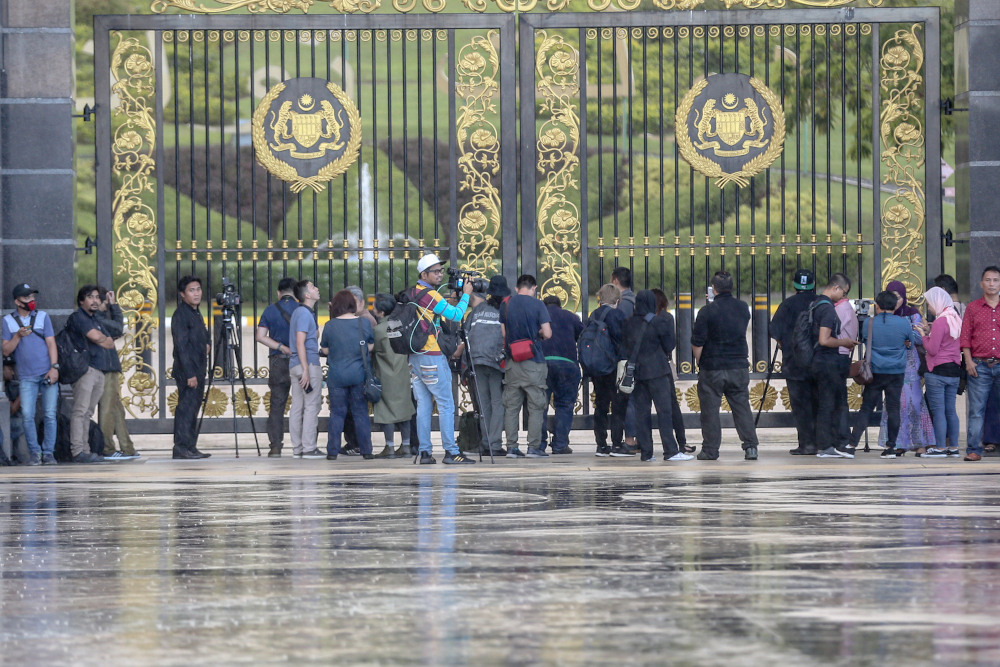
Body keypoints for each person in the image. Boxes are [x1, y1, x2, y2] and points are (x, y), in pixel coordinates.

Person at [406, 253, 476, 465]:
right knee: (446, 405)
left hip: (415, 357)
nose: (439, 274)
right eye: (435, 271)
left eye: (440, 271)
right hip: (432, 356)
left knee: (424, 406)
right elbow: (455, 316)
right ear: (423, 274)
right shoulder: (431, 295)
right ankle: (451, 451)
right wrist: (466, 295)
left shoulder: (414, 293)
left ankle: (425, 452)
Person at [691, 271, 760, 460]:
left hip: (712, 367)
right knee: (741, 407)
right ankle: (750, 447)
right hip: (738, 365)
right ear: (731, 287)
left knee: (710, 410)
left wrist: (701, 362)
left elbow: (697, 342)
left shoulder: (707, 311)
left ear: (713, 289)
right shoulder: (742, 307)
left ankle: (710, 449)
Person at [849, 291, 923, 457]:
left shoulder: (869, 322)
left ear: (877, 306)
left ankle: (852, 445)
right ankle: (890, 447)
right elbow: (910, 345)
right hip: (896, 372)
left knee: (866, 408)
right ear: (895, 306)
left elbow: (864, 340)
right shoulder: (903, 323)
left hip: (874, 371)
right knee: (893, 408)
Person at [621, 290, 691, 462]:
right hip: (658, 372)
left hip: (638, 372)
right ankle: (670, 451)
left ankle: (646, 452)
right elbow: (669, 345)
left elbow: (623, 347)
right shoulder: (659, 321)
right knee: (664, 412)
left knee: (642, 414)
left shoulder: (628, 322)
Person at [1, 283, 59, 465]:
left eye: (32, 297)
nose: (31, 301)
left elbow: (51, 343)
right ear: (17, 302)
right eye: (27, 298)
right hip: (26, 376)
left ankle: (49, 453)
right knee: (28, 415)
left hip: (47, 372)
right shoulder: (8, 321)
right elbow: (5, 350)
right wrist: (17, 336)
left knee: (50, 414)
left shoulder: (42, 317)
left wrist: (54, 367)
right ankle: (35, 452)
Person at [500, 274, 552, 459]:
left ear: (517, 288)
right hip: (533, 361)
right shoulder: (538, 304)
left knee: (511, 406)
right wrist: (537, 333)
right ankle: (533, 447)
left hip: (513, 361)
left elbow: (504, 333)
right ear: (534, 288)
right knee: (536, 405)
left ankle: (512, 448)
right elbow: (547, 333)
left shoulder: (506, 304)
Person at [807, 274, 858, 459]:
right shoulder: (828, 309)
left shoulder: (816, 304)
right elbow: (824, 339)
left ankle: (828, 444)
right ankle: (827, 445)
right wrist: (844, 341)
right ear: (836, 288)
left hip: (819, 361)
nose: (843, 298)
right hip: (828, 362)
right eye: (843, 293)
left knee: (826, 404)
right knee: (829, 405)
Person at [768, 269, 818, 455]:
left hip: (795, 363)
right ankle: (824, 441)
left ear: (795, 285)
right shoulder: (821, 302)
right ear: (813, 284)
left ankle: (807, 444)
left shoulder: (787, 304)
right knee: (821, 403)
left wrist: (786, 345)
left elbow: (775, 331)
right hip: (819, 361)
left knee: (801, 406)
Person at [66, 286, 118, 464]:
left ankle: (85, 450)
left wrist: (102, 338)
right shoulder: (78, 317)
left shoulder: (95, 319)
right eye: (90, 297)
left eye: (97, 297)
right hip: (84, 370)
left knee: (88, 412)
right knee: (80, 411)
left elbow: (110, 343)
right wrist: (102, 338)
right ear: (81, 301)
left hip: (98, 370)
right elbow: (97, 337)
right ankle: (77, 450)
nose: (95, 300)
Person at [320, 289, 374, 460]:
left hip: (336, 376)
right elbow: (370, 347)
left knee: (337, 413)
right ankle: (366, 450)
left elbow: (325, 350)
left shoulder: (330, 325)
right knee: (360, 412)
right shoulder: (363, 323)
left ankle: (332, 451)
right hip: (358, 375)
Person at [881, 280, 935, 452]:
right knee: (897, 403)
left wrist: (904, 336)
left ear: (903, 297)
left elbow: (919, 338)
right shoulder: (883, 315)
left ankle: (920, 443)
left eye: (898, 297)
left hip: (910, 364)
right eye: (892, 297)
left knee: (915, 402)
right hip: (892, 363)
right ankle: (898, 443)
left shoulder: (913, 313)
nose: (896, 301)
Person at [460, 276, 509, 457]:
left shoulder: (479, 309)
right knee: (498, 403)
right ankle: (494, 444)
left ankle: (485, 442)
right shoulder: (505, 310)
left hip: (476, 361)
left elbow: (465, 334)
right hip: (496, 362)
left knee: (484, 404)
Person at [916, 286, 963, 457]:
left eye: (930, 304)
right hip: (954, 371)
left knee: (938, 411)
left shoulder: (940, 321)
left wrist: (923, 335)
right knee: (950, 410)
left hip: (937, 372)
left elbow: (932, 349)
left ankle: (941, 447)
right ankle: (954, 447)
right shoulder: (955, 318)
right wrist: (931, 332)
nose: (929, 308)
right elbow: (948, 341)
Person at [255, 277, 299, 457]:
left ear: (279, 293)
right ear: (296, 293)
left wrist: (280, 346)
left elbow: (260, 336)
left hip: (278, 361)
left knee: (277, 404)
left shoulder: (270, 310)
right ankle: (303, 443)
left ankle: (275, 445)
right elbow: (315, 333)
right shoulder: (302, 309)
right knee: (301, 403)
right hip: (299, 360)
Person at [960, 266, 1000, 462]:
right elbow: (965, 337)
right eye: (988, 280)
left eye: (995, 280)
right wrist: (968, 361)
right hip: (979, 366)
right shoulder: (973, 308)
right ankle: (974, 449)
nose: (992, 284)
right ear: (981, 283)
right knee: (976, 410)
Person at [94, 286, 137, 460]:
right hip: (104, 366)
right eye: (105, 301)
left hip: (108, 365)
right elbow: (119, 327)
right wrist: (115, 307)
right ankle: (107, 448)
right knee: (107, 410)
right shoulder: (97, 318)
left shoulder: (99, 318)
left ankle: (127, 448)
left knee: (116, 408)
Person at [371, 293, 415, 458]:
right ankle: (406, 446)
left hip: (384, 374)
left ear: (381, 312)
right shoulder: (400, 325)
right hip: (402, 372)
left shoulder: (378, 330)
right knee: (404, 409)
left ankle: (389, 447)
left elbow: (372, 350)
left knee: (386, 411)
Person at [171, 276, 210, 459]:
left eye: (198, 289)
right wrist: (190, 374)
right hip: (188, 371)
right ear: (182, 294)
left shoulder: (195, 312)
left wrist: (207, 344)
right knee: (186, 409)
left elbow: (202, 335)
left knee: (194, 408)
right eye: (191, 290)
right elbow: (181, 347)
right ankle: (181, 447)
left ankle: (191, 446)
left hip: (198, 368)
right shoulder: (181, 315)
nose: (196, 293)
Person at [538, 294, 583, 455]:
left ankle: (539, 444)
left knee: (540, 406)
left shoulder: (539, 315)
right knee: (564, 405)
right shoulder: (570, 316)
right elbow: (582, 334)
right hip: (567, 363)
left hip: (542, 363)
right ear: (560, 305)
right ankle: (560, 444)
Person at [588, 284, 628, 457]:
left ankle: (601, 444)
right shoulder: (618, 314)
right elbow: (622, 340)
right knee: (618, 404)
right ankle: (617, 443)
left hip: (597, 366)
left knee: (601, 404)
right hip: (614, 365)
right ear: (617, 300)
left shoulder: (593, 315)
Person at [287, 280, 324, 459]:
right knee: (311, 406)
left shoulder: (302, 313)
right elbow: (300, 341)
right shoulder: (303, 313)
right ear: (307, 295)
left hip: (296, 364)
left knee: (298, 406)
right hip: (306, 364)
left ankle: (298, 448)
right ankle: (309, 447)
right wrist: (306, 369)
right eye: (312, 287)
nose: (317, 288)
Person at [651, 288, 690, 453]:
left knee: (642, 407)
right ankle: (680, 442)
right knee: (670, 407)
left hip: (642, 368)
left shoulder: (639, 318)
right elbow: (670, 345)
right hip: (662, 366)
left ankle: (642, 444)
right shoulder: (666, 318)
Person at [610, 266, 637, 453]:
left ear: (615, 280)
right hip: (636, 355)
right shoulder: (634, 300)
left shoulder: (624, 303)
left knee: (628, 399)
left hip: (626, 357)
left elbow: (620, 331)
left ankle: (630, 441)